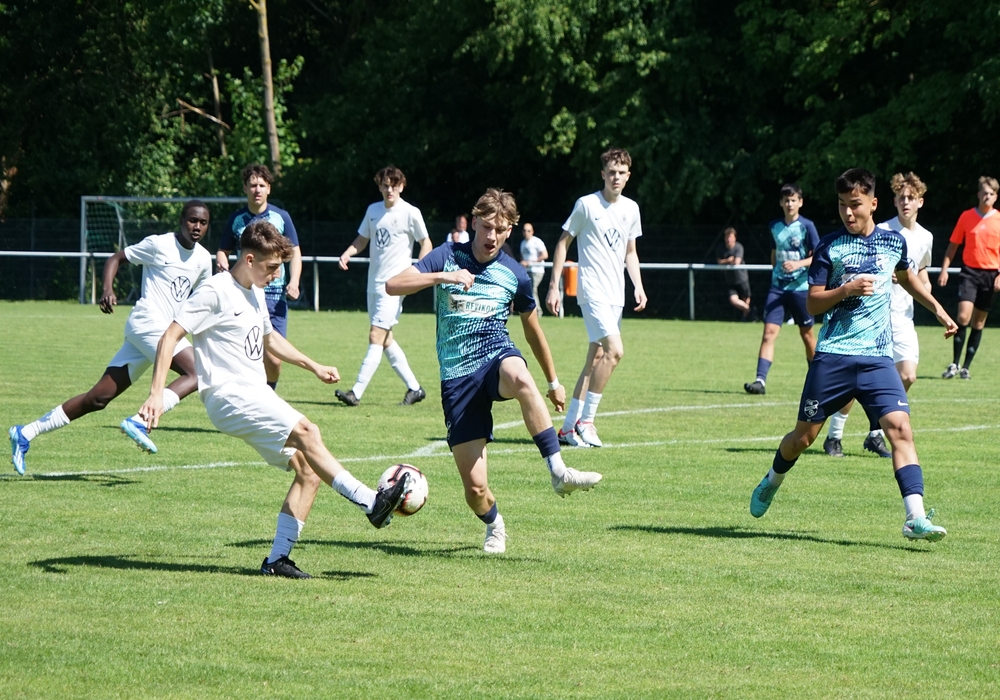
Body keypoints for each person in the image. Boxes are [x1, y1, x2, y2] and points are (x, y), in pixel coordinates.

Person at [138, 220, 414, 579]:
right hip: (228, 394)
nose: (275, 275)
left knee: (308, 470)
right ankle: (371, 502)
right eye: (271, 267)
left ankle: (277, 560)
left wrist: (313, 366)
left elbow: (270, 340)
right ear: (249, 259)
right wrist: (156, 393)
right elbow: (169, 337)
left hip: (252, 392)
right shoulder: (215, 290)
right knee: (308, 431)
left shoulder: (254, 290)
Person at [386, 188, 602, 554]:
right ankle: (495, 524)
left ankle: (558, 471)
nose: (492, 236)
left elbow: (532, 330)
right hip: (457, 378)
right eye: (486, 227)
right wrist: (444, 278)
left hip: (495, 356)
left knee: (520, 377)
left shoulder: (514, 274)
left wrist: (553, 381)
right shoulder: (446, 256)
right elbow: (394, 285)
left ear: (510, 230)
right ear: (474, 223)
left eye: (501, 229)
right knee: (475, 490)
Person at [749, 168, 957, 542]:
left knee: (901, 430)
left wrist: (939, 310)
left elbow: (907, 277)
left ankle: (915, 517)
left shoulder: (894, 242)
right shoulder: (830, 246)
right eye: (843, 204)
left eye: (855, 205)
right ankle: (772, 480)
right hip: (833, 357)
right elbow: (813, 303)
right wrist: (845, 290)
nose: (848, 212)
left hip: (878, 359)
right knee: (803, 439)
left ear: (873, 204)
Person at [8, 202, 213, 475]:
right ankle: (141, 420)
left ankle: (25, 433)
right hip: (148, 323)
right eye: (192, 220)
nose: (197, 226)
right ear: (181, 221)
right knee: (197, 372)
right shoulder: (159, 244)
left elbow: (202, 301)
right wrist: (107, 289)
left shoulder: (203, 259)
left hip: (159, 334)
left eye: (202, 223)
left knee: (98, 398)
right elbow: (115, 258)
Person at [824, 172, 934, 458]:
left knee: (907, 375)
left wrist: (927, 292)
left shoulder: (925, 237)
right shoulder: (882, 230)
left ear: (920, 202)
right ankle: (835, 435)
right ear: (892, 201)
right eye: (901, 197)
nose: (905, 202)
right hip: (873, 319)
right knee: (853, 385)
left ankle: (874, 432)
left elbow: (919, 272)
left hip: (904, 317)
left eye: (911, 198)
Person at [546, 147, 647, 448]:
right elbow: (563, 243)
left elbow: (631, 252)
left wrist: (638, 285)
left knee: (596, 359)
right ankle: (586, 421)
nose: (616, 177)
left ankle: (567, 429)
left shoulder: (631, 209)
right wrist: (553, 286)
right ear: (603, 174)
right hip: (592, 292)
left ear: (628, 176)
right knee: (615, 351)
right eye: (611, 172)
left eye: (621, 173)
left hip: (616, 295)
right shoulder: (586, 205)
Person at [335, 166, 431, 407]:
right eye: (385, 185)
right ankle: (415, 388)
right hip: (374, 284)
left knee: (375, 335)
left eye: (394, 185)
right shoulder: (373, 210)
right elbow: (362, 239)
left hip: (395, 285)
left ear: (402, 186)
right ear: (379, 186)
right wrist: (348, 253)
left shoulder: (410, 212)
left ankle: (355, 392)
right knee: (385, 339)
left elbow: (426, 242)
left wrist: (420, 270)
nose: (390, 190)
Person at [216, 164, 301, 390]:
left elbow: (295, 252)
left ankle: (268, 393)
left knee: (274, 359)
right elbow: (223, 250)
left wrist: (294, 281)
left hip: (274, 297)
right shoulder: (236, 219)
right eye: (252, 185)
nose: (257, 190)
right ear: (245, 188)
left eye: (262, 185)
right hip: (244, 295)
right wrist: (223, 265)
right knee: (246, 354)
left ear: (269, 188)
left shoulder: (281, 217)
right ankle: (249, 397)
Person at [743, 183, 820, 395]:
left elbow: (818, 256)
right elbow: (774, 253)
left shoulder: (807, 226)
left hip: (800, 288)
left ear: (800, 202)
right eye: (786, 200)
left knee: (807, 335)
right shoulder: (774, 226)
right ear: (781, 203)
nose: (789, 204)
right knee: (768, 333)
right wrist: (776, 272)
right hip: (777, 288)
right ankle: (760, 381)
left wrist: (798, 264)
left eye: (793, 200)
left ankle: (817, 379)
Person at [937, 176, 1000, 380]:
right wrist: (944, 269)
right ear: (978, 194)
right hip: (969, 273)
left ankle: (966, 367)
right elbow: (953, 245)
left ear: (996, 196)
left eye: (991, 193)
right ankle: (954, 363)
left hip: (991, 275)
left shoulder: (998, 219)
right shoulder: (966, 216)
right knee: (963, 316)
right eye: (984, 192)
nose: (987, 196)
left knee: (978, 323)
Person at [717, 227, 752, 321]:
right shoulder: (721, 248)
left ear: (735, 238)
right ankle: (749, 311)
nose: (729, 239)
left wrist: (725, 261)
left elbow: (737, 262)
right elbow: (719, 262)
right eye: (727, 237)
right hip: (730, 280)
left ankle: (745, 317)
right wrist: (729, 260)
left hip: (742, 278)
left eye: (731, 237)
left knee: (746, 297)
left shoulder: (739, 247)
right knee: (733, 300)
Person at [519, 222, 548, 314]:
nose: (526, 233)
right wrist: (523, 263)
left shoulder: (537, 241)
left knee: (532, 290)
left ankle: (537, 311)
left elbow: (545, 255)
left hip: (537, 271)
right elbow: (522, 257)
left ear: (532, 231)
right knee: (527, 291)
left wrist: (531, 262)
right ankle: (529, 310)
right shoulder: (523, 243)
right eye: (524, 231)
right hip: (526, 271)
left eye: (528, 231)